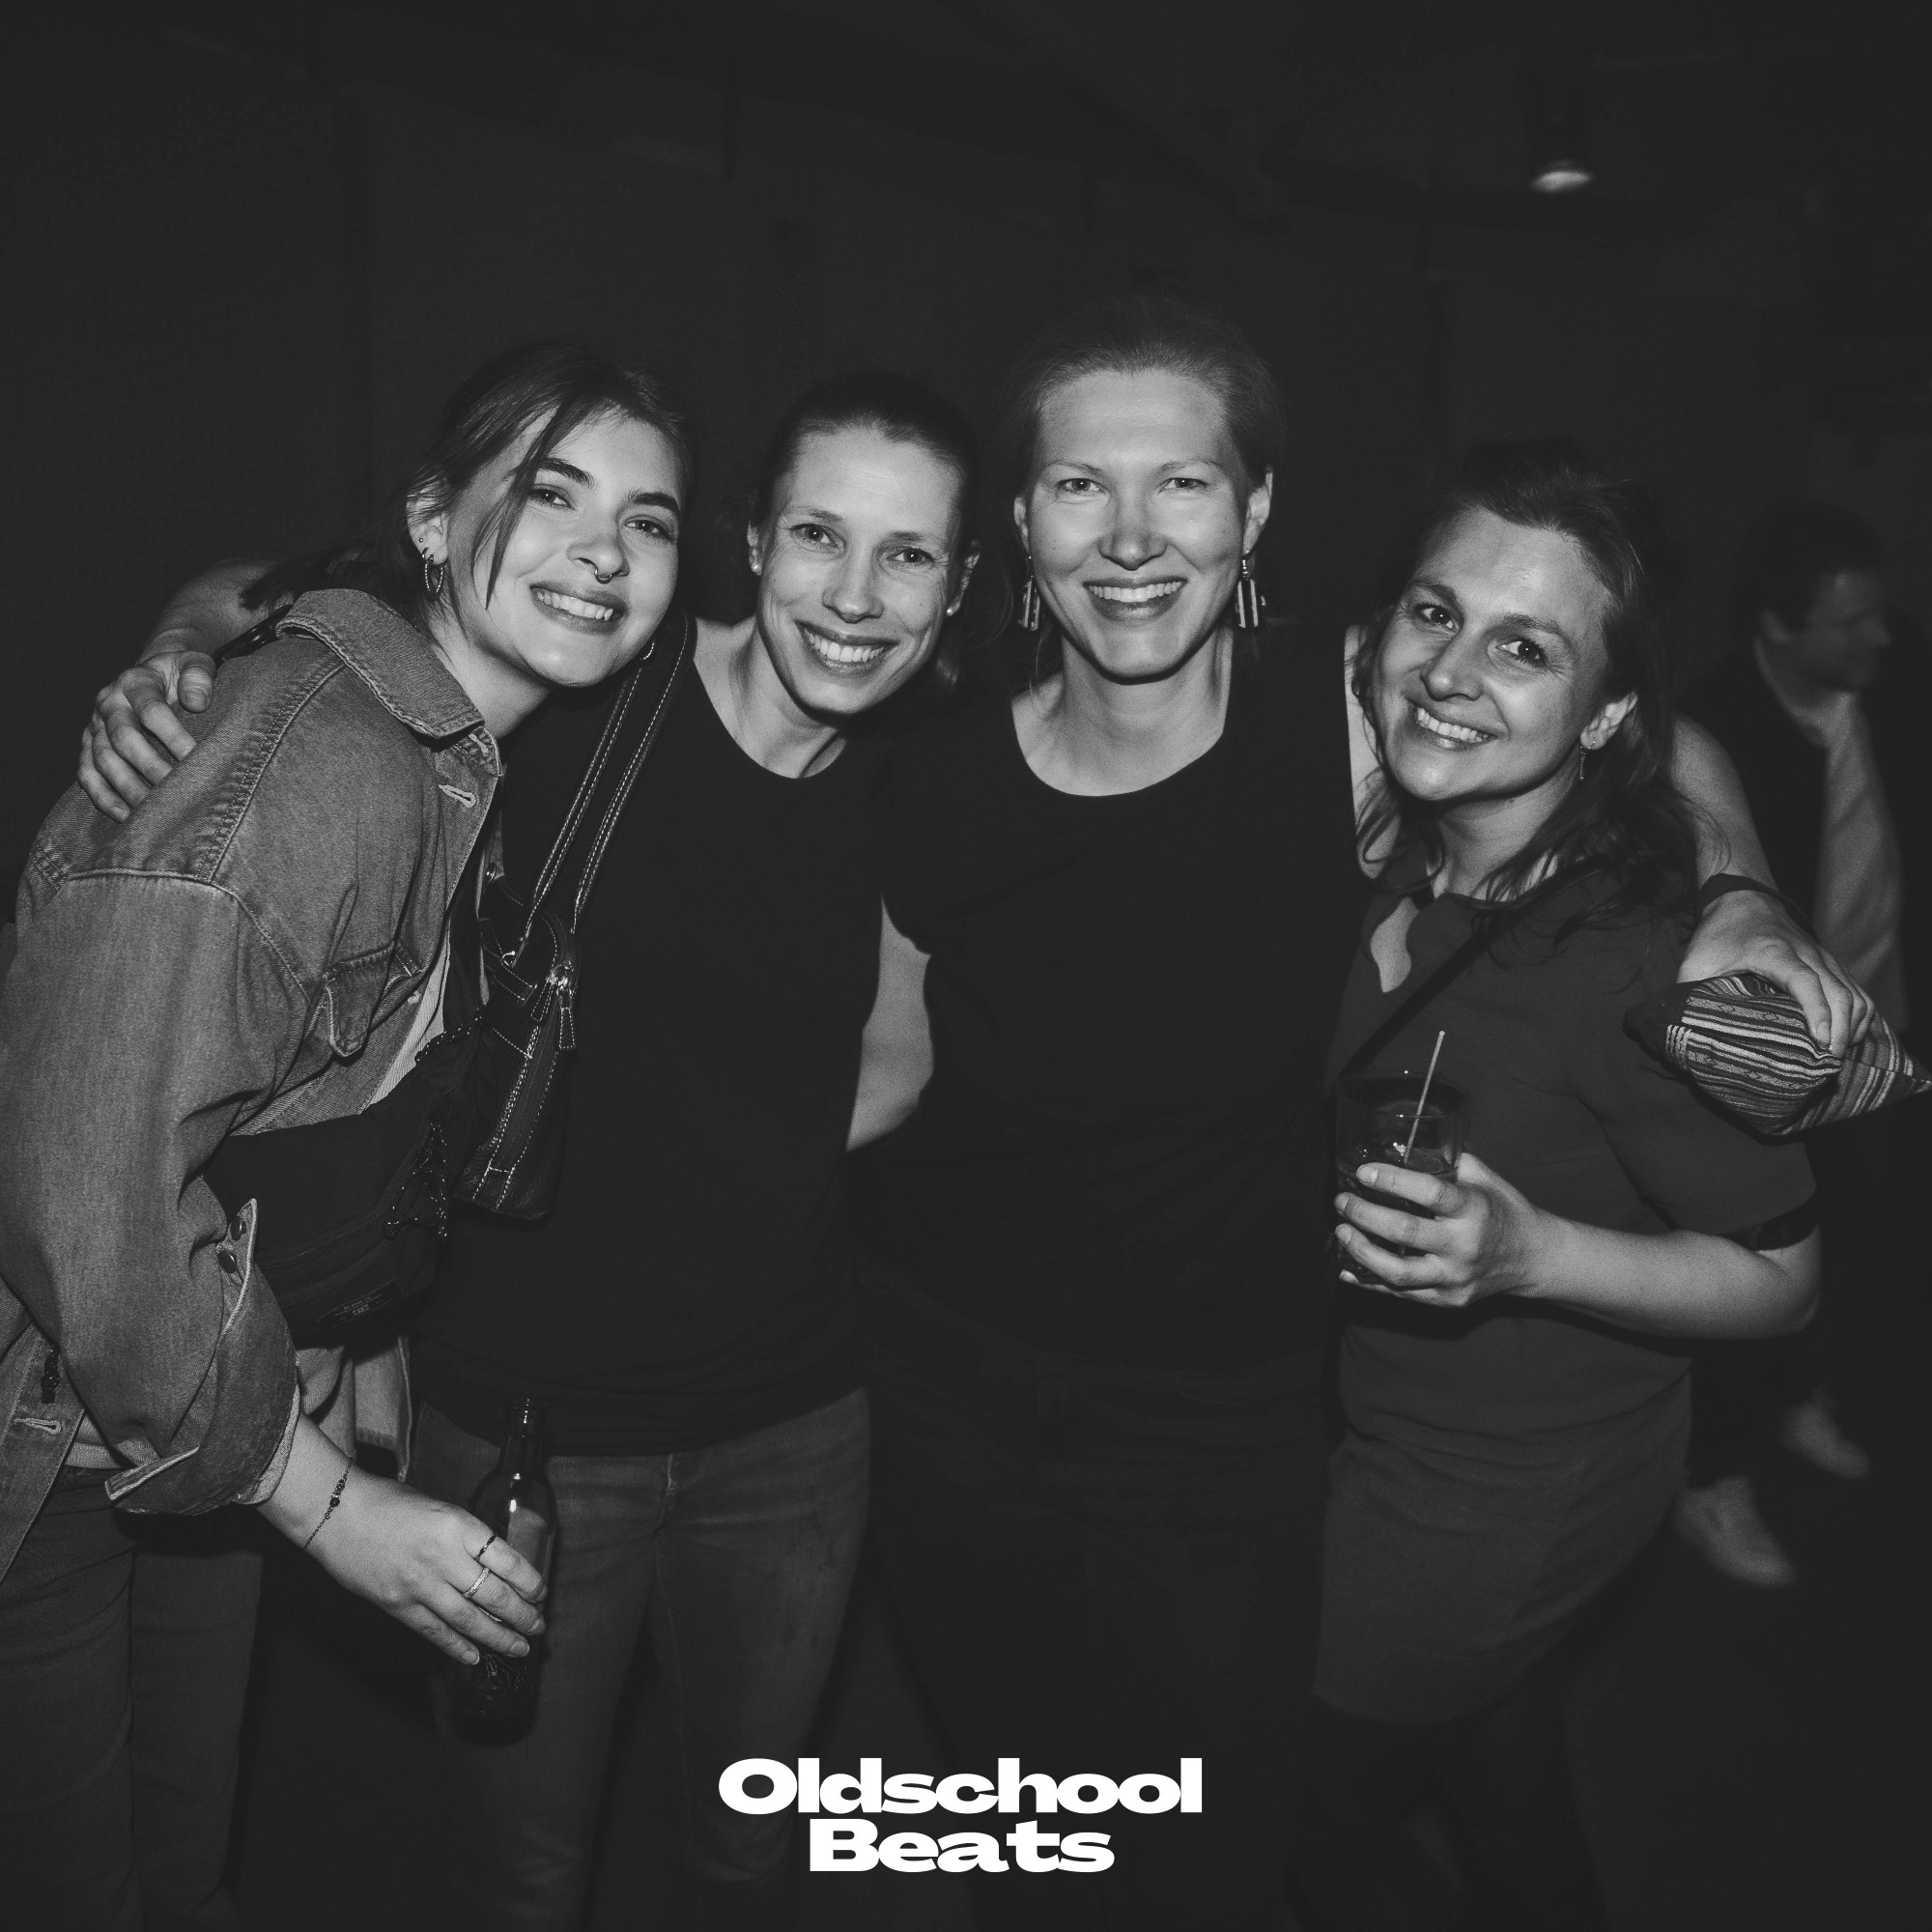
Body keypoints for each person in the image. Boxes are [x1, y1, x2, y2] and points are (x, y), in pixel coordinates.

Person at [846, 298, 1856, 1932]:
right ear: (1019, 523)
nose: (1129, 537)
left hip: (1221, 1423)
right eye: (1080, 486)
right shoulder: (930, 774)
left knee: (1212, 1845)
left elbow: (1624, 717)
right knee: (1024, 1814)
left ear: (1252, 513)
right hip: (947, 1393)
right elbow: (883, 1073)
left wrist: (1738, 897)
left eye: (1182, 484)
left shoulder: (1340, 723)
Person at [77, 371, 989, 1932]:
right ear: (750, 544)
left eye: (907, 555)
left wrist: (729, 1167)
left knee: (744, 1851)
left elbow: (897, 1062)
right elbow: (273, 588)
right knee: (526, 1873)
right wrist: (172, 657)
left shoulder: (922, 781)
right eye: (819, 536)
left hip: (790, 1432)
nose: (856, 594)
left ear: (957, 589)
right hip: (520, 1431)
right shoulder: (589, 674)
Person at [0, 339, 692, 1930]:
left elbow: (292, 1105)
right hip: (52, 1436)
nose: (603, 551)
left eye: (648, 521)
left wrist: (327, 1362)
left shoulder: (439, 750)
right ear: (436, 522)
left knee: (178, 1877)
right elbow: (85, 1183)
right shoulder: (318, 763)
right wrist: (330, 1504)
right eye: (555, 494)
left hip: (186, 1413)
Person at [1294, 442, 1820, 1931]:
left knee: (1293, 1815)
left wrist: (1530, 1256)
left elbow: (1786, 1283)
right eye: (1434, 614)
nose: (1452, 673)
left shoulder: (1644, 958)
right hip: (1381, 1427)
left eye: (1524, 647)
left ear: (1603, 714)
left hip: (1505, 1497)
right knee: (1496, 1769)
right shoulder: (1403, 836)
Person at [1673, 502, 1925, 1586]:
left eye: (1880, 612)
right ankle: (1708, 1471)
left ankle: (1791, 1395)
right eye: (1850, 620)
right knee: (1752, 1252)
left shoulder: (1899, 691)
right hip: (1769, 1055)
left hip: (1884, 1026)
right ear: (1776, 625)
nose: (1880, 635)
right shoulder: (1709, 730)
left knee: (1854, 1237)